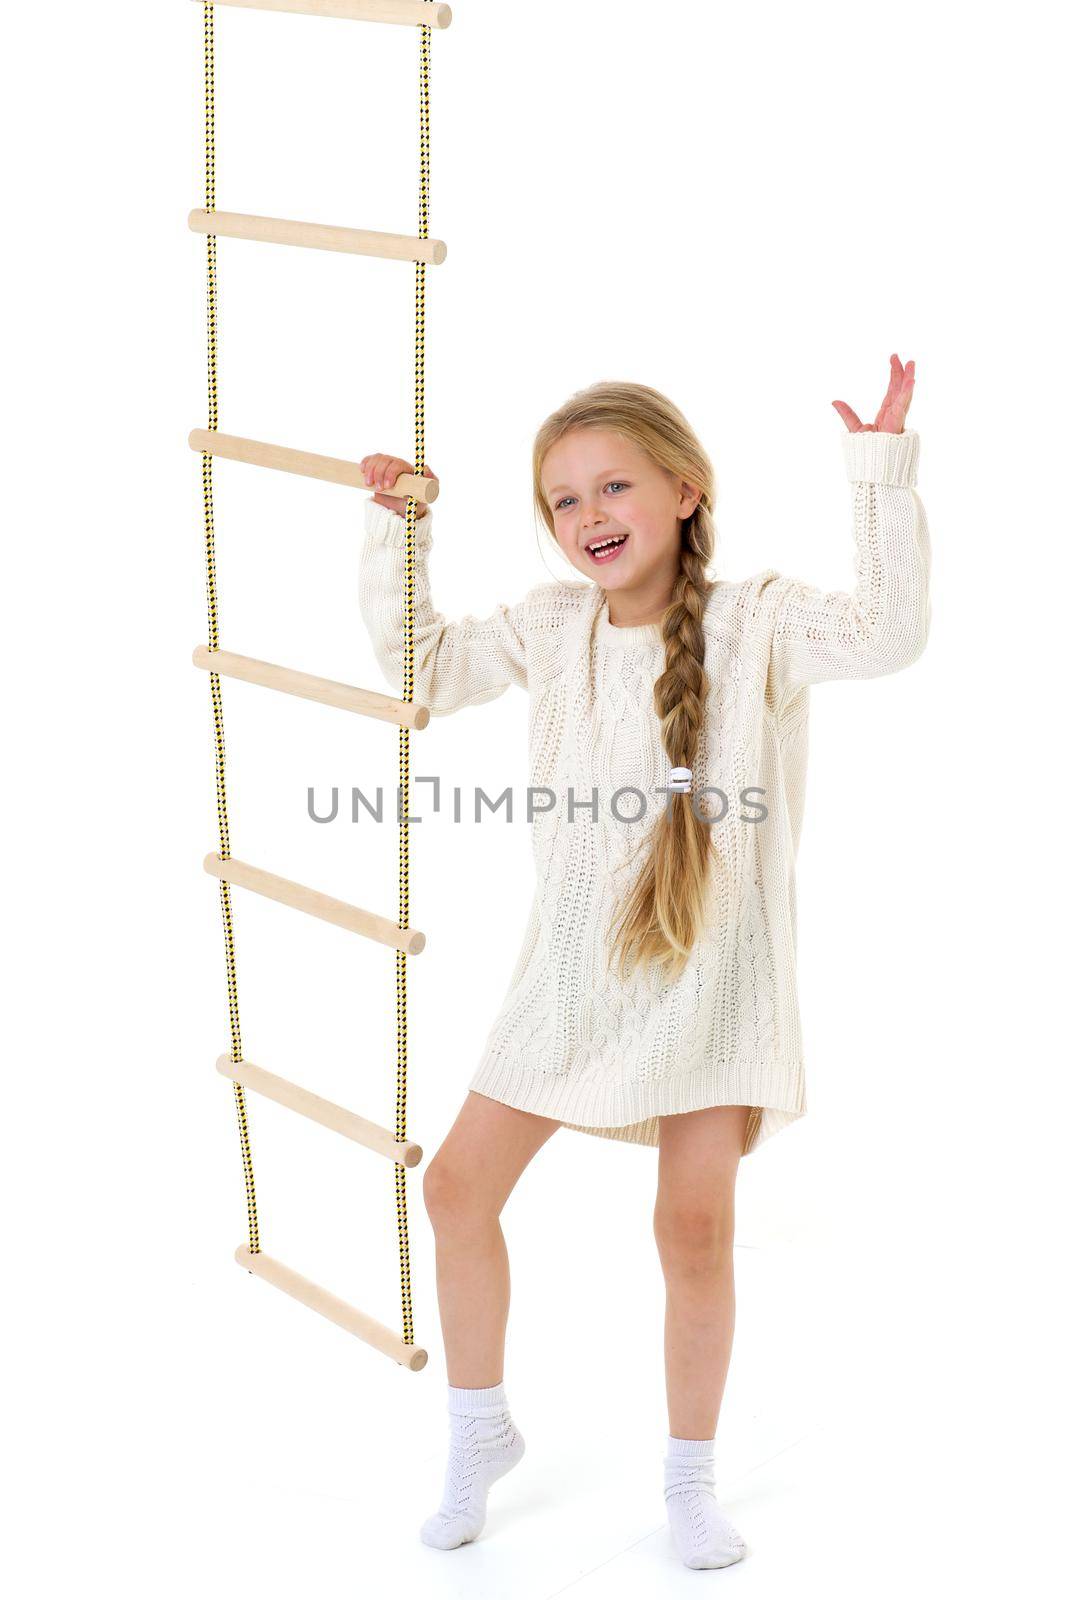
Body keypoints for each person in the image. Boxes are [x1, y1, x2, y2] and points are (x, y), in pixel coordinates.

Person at [356, 356, 929, 1568]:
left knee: (691, 1228)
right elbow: (422, 668)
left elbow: (885, 635)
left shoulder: (754, 622)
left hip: (711, 981)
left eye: (612, 485)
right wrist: (396, 532)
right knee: (455, 1188)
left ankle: (687, 1479)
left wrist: (876, 473)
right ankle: (477, 1432)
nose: (588, 517)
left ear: (682, 490)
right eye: (562, 500)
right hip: (569, 983)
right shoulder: (549, 626)